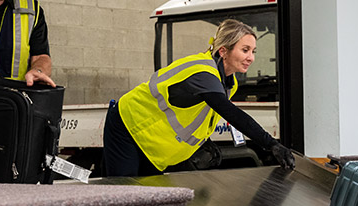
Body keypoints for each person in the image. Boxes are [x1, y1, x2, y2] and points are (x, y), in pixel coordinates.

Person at [103, 19, 296, 176]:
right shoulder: (203, 73)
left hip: (150, 140)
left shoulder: (229, 81)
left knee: (149, 198)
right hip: (127, 125)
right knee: (125, 194)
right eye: (245, 50)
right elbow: (230, 113)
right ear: (223, 51)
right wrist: (271, 145)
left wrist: (203, 142)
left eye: (253, 51)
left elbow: (199, 112)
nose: (251, 57)